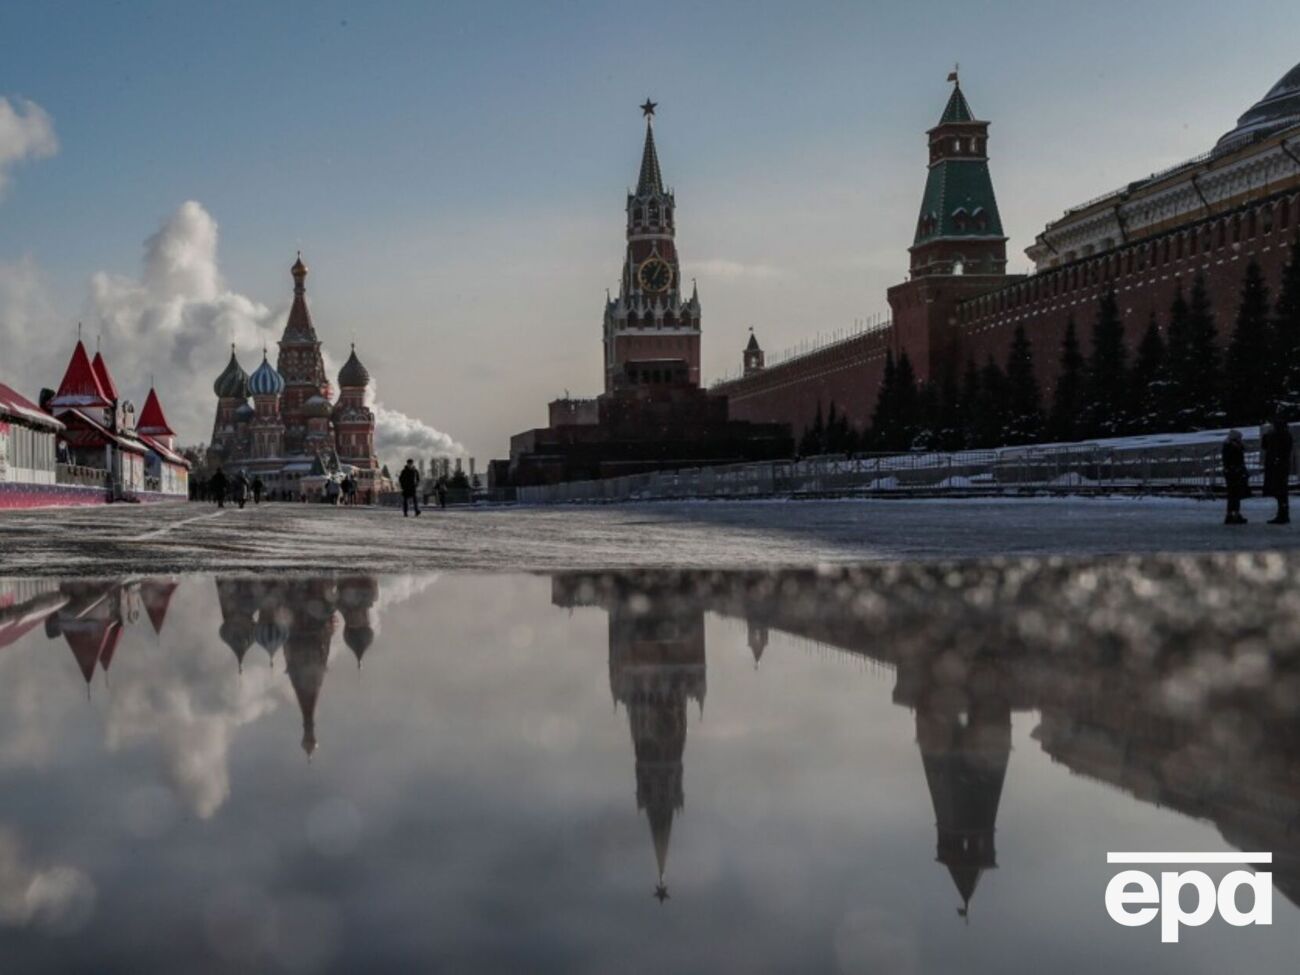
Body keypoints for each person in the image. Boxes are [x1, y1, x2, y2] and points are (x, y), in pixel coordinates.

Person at [1262, 415, 1294, 525]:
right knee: (1281, 492)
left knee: (1281, 492)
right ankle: (1283, 513)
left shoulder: (1280, 436)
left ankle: (1283, 514)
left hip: (1278, 466)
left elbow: (1268, 447)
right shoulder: (1284, 435)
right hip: (1280, 466)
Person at [1222, 430, 1249, 525]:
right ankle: (1235, 514)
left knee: (1232, 494)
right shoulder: (1232, 447)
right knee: (1235, 494)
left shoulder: (1227, 446)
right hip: (1235, 473)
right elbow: (1235, 459)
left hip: (1231, 472)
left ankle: (1230, 514)